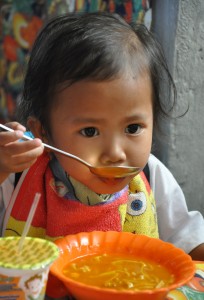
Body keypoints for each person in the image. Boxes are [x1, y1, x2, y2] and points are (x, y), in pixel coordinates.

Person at [0, 11, 204, 266]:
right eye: (90, 131)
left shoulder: (152, 175)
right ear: (43, 132)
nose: (115, 153)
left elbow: (190, 242)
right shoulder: (21, 175)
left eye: (132, 128)